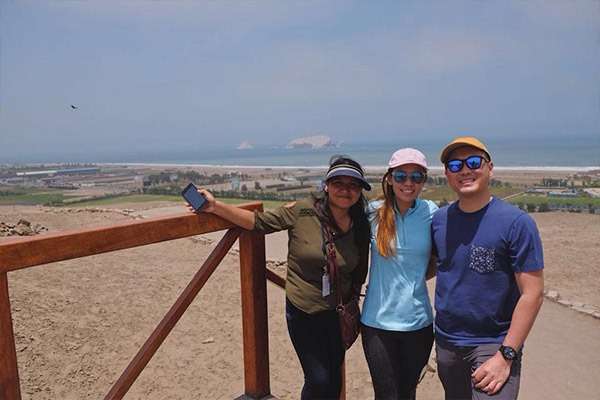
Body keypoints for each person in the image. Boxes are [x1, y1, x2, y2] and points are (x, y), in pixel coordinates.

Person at [192, 156, 371, 400]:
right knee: (318, 380)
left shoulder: (360, 223)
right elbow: (258, 222)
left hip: (338, 312)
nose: (345, 190)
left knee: (334, 379)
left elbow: (360, 268)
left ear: (360, 191)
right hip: (304, 310)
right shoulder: (302, 211)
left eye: (353, 185)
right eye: (338, 182)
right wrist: (215, 207)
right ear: (326, 185)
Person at [432, 136, 544, 400]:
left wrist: (506, 355)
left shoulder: (516, 223)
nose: (465, 170)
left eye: (473, 162)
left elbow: (533, 293)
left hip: (493, 343)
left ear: (489, 167)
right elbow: (438, 267)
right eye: (455, 165)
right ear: (447, 174)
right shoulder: (439, 220)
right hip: (448, 343)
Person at [360, 148, 438, 400]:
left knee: (407, 393)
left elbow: (439, 258)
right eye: (402, 176)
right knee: (386, 395)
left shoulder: (431, 212)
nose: (408, 183)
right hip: (377, 324)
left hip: (418, 324)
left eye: (416, 177)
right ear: (390, 178)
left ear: (423, 181)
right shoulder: (372, 212)